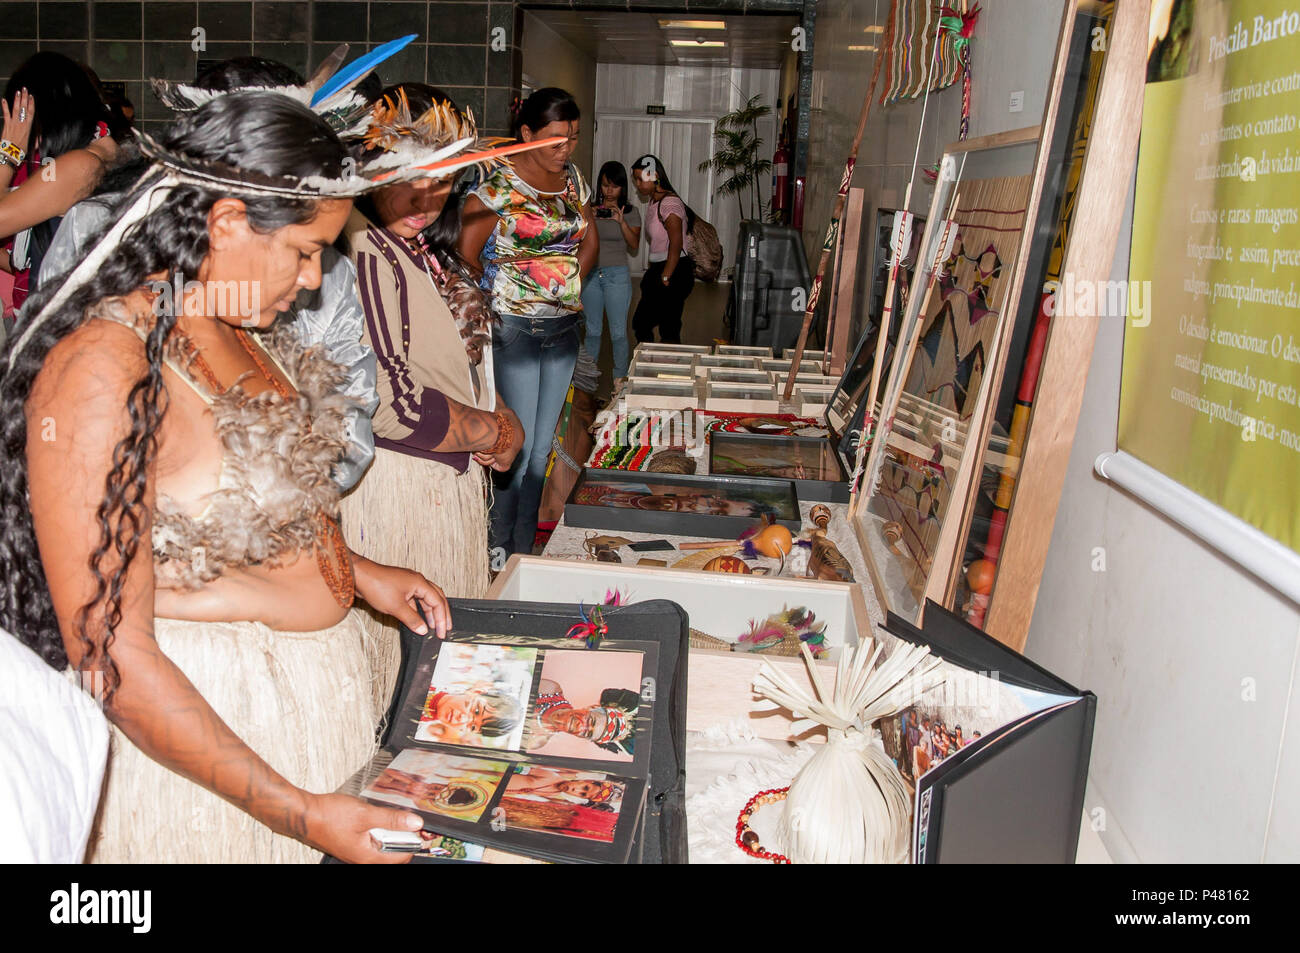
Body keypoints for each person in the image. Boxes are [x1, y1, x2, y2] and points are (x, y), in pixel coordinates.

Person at [0, 92, 455, 864]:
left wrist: (360, 574)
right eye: (306, 250)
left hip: (293, 722)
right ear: (227, 223)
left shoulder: (229, 319)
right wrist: (303, 815)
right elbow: (113, 656)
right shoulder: (105, 365)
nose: (314, 281)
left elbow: (228, 508)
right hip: (213, 755)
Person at [39, 56, 382, 494]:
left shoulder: (325, 267)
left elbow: (349, 412)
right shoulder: (99, 233)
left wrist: (274, 495)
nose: (308, 277)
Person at [342, 85, 525, 707]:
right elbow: (392, 406)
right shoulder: (368, 250)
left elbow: (446, 365)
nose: (426, 198)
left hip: (436, 486)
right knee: (407, 683)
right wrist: (495, 434)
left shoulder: (412, 247)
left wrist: (496, 416)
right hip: (401, 490)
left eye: (442, 180)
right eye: (407, 178)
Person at [458, 87, 598, 559]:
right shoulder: (498, 184)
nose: (566, 149)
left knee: (541, 450)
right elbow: (464, 257)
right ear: (525, 135)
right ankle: (495, 546)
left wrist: (565, 282)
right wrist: (501, 300)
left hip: (561, 330)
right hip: (513, 331)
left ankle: (522, 549)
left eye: (573, 138)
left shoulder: (574, 179)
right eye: (556, 139)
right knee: (512, 446)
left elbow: (588, 239)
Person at [1, 52, 120, 309]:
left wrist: (9, 150)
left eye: (23, 118)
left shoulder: (79, 165)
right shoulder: (106, 152)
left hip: (63, 325)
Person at [581, 160, 640, 384]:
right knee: (593, 332)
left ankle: (619, 382)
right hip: (592, 276)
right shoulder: (591, 209)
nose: (609, 191)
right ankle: (588, 381)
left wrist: (621, 221)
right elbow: (579, 240)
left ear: (622, 187)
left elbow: (634, 244)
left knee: (618, 334)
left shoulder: (631, 212)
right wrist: (589, 218)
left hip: (617, 275)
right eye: (605, 185)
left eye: (614, 186)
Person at [628, 153, 695, 345]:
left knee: (667, 327)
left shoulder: (670, 203)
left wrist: (666, 275)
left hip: (673, 269)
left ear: (655, 176)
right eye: (636, 180)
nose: (638, 185)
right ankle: (652, 362)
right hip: (660, 268)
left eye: (641, 179)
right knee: (646, 323)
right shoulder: (654, 201)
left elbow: (676, 243)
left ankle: (667, 368)